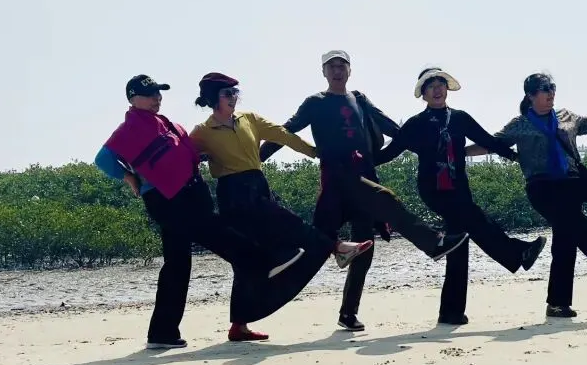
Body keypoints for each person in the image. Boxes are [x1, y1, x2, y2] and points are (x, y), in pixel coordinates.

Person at [260, 49, 469, 331]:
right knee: (380, 201)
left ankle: (347, 312)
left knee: (361, 247)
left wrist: (426, 145)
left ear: (350, 70)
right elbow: (286, 131)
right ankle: (433, 243)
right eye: (332, 66)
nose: (337, 71)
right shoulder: (315, 102)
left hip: (362, 177)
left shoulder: (359, 99)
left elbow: (391, 127)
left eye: (342, 66)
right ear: (323, 72)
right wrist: (258, 158)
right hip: (337, 180)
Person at [93, 74, 308, 350]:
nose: (157, 98)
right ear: (133, 99)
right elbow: (103, 159)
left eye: (158, 93)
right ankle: (264, 261)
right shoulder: (129, 128)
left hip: (188, 191)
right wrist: (128, 177)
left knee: (177, 263)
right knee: (212, 229)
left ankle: (162, 332)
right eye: (150, 94)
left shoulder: (161, 123)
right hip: (167, 198)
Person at [189, 72, 373, 342]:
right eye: (227, 93)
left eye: (235, 93)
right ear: (212, 98)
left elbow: (283, 135)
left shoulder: (249, 119)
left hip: (257, 183)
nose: (233, 98)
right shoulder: (203, 132)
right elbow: (183, 158)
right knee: (287, 223)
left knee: (246, 260)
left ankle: (239, 326)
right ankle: (336, 247)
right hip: (232, 193)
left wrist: (314, 152)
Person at [375, 67, 548, 325]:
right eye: (431, 86)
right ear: (423, 94)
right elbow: (390, 153)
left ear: (447, 89)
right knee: (475, 219)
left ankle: (451, 311)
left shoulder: (460, 118)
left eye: (440, 84)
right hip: (433, 189)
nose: (437, 89)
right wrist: (360, 161)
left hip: (459, 186)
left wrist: (512, 155)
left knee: (459, 241)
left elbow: (487, 140)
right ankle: (517, 252)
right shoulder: (415, 124)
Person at [466, 72, 587, 319]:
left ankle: (558, 304)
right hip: (541, 187)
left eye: (552, 88)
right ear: (530, 96)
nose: (550, 93)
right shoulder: (520, 124)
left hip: (571, 184)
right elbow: (491, 144)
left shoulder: (565, 116)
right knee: (572, 228)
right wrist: (458, 152)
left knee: (566, 239)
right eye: (544, 89)